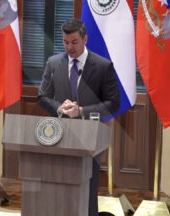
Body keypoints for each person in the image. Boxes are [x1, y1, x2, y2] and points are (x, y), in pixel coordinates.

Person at [37, 18, 120, 216]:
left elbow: (113, 104)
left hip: (90, 135)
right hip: (58, 134)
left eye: (74, 42)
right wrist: (60, 108)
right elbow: (42, 97)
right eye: (66, 42)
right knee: (58, 183)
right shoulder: (54, 63)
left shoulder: (102, 66)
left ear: (85, 39)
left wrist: (81, 111)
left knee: (87, 187)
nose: (69, 47)